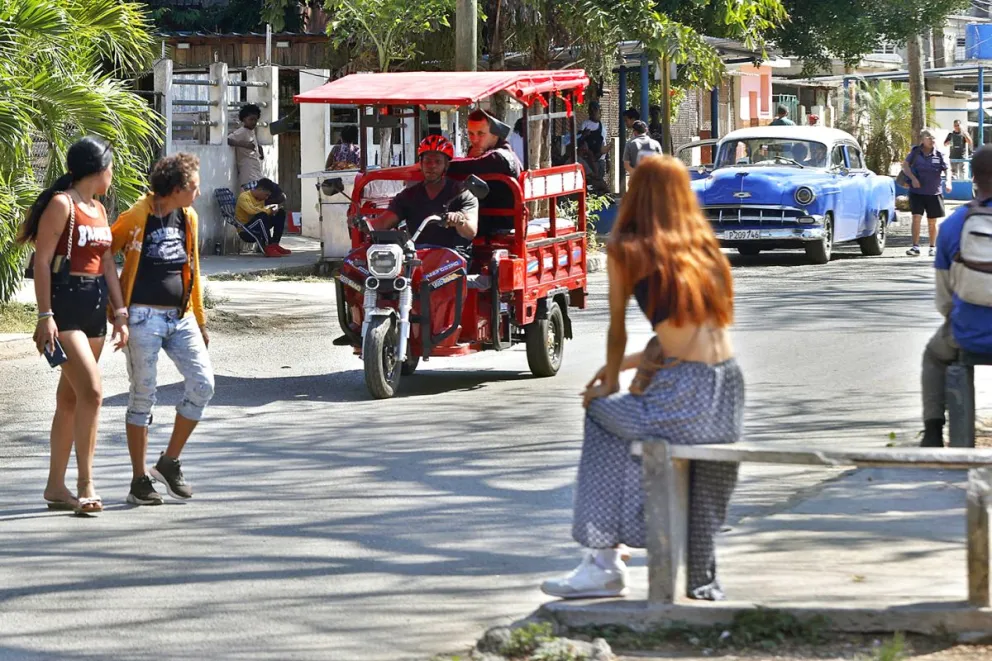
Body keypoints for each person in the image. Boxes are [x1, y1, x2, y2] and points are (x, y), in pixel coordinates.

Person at [541, 154, 743, 602]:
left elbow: (617, 326)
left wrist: (608, 383)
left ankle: (603, 560)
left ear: (640, 194)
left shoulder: (629, 247)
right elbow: (688, 332)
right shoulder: (703, 248)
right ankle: (702, 575)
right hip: (726, 390)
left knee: (602, 417)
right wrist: (634, 364)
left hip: (684, 395)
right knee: (656, 443)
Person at [16, 136, 128, 515]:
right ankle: (86, 484)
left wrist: (120, 312)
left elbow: (109, 264)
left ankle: (54, 486)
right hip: (64, 305)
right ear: (99, 169)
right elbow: (42, 262)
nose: (113, 174)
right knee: (93, 393)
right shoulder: (62, 204)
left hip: (96, 305)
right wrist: (44, 315)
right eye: (111, 167)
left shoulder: (98, 208)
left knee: (70, 399)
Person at [111, 153, 215, 506]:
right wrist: (117, 311)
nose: (198, 194)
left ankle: (168, 463)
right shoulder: (137, 216)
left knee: (203, 384)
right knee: (143, 394)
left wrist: (199, 320)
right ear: (176, 189)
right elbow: (105, 254)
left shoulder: (188, 217)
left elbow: (194, 270)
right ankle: (139, 480)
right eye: (194, 188)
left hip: (180, 316)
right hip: (143, 318)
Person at [916, 146, 992, 448]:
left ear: (973, 178)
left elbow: (944, 299)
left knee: (933, 355)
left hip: (969, 333)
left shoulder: (952, 226)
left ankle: (933, 431)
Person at [376, 135, 478, 260]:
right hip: (416, 256)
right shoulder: (408, 195)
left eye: (438, 162)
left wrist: (459, 220)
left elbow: (471, 231)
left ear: (446, 165)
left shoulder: (462, 193)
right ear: (421, 163)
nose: (432, 166)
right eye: (428, 161)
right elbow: (383, 222)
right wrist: (362, 222)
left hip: (453, 256)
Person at [446, 109, 521, 236]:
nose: (475, 139)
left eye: (481, 133)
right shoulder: (486, 155)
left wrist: (432, 164)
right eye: (471, 134)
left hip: (494, 222)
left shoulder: (499, 157)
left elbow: (463, 167)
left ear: (495, 134)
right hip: (483, 218)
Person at [902, 129, 952, 257]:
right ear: (923, 140)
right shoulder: (915, 153)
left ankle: (932, 247)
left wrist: (948, 182)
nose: (932, 140)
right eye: (929, 138)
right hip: (917, 192)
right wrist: (913, 178)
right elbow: (905, 166)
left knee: (932, 221)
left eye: (933, 138)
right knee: (916, 218)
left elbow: (948, 169)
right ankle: (915, 246)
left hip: (933, 192)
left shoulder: (939, 154)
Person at [228, 104, 286, 204]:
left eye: (255, 120)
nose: (254, 122)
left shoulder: (251, 132)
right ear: (244, 119)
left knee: (279, 196)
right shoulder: (242, 131)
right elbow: (228, 140)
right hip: (248, 175)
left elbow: (252, 145)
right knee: (258, 202)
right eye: (251, 119)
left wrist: (259, 149)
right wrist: (243, 144)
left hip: (257, 174)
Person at [235, 178, 291, 257]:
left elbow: (261, 211)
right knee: (262, 215)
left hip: (258, 225)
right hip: (246, 230)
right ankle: (268, 246)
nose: (267, 198)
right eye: (266, 195)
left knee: (280, 213)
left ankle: (274, 244)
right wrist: (268, 211)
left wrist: (273, 212)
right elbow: (252, 211)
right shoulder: (244, 197)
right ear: (260, 189)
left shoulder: (260, 199)